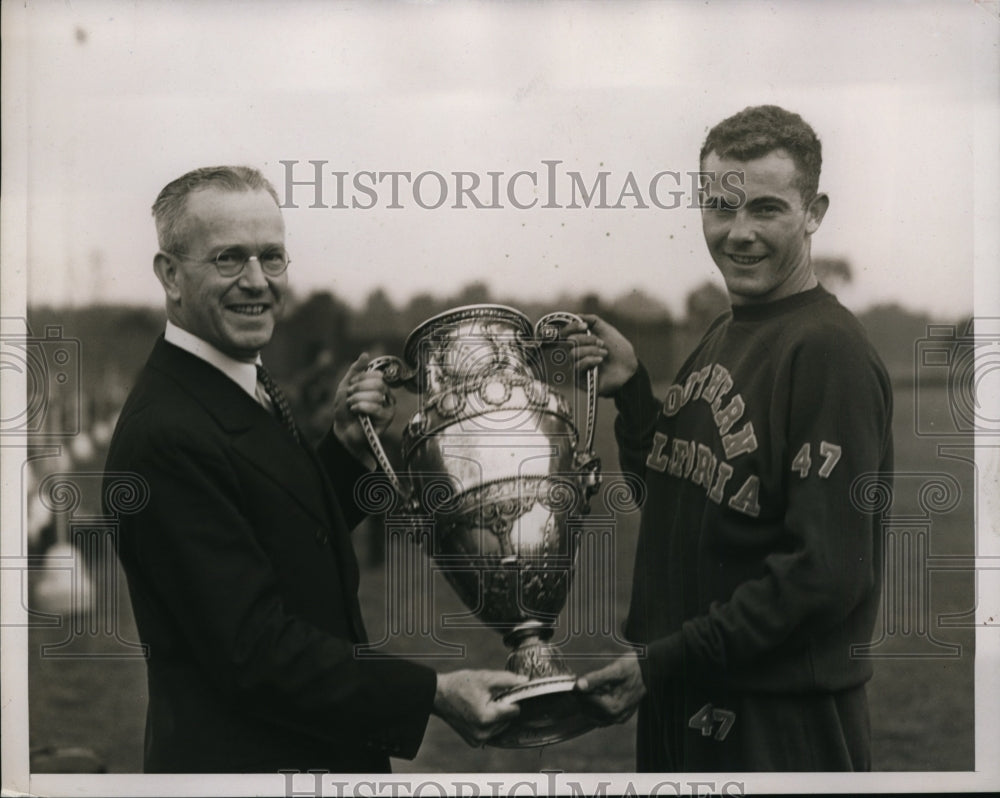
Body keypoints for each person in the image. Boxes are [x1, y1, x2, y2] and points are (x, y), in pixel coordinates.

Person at [103, 166, 524, 773]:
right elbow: (254, 650)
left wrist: (345, 452)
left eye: (272, 258)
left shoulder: (233, 378)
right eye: (228, 259)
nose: (257, 282)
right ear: (169, 274)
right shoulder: (166, 434)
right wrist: (431, 695)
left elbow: (279, 531)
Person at [568, 105, 894, 771]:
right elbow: (674, 501)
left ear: (814, 211)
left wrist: (662, 661)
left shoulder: (827, 352)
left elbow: (822, 576)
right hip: (683, 702)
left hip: (775, 725)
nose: (738, 233)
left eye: (767, 209)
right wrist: (634, 394)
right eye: (720, 207)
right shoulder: (724, 330)